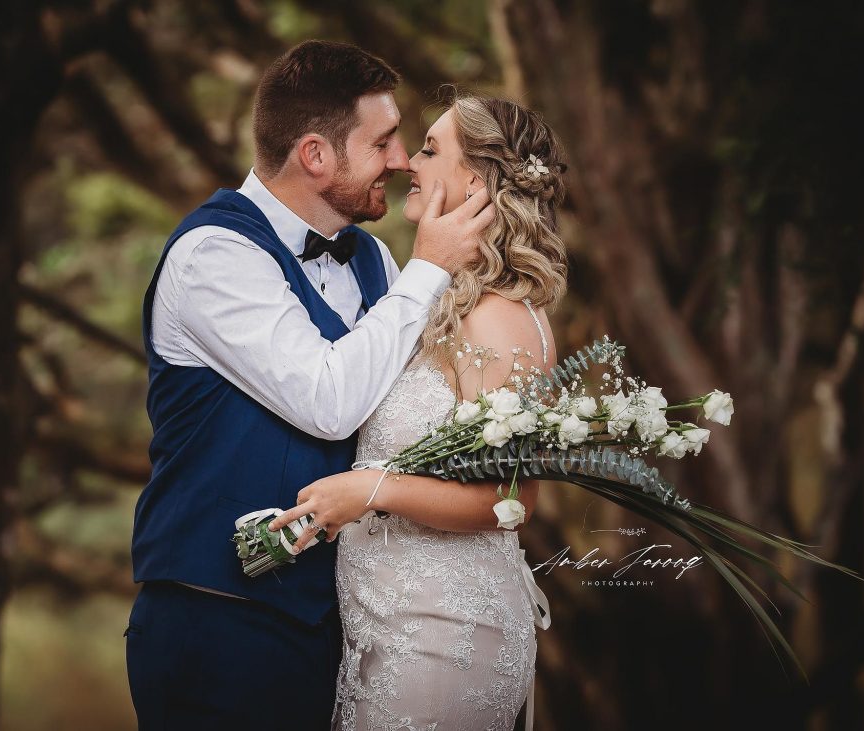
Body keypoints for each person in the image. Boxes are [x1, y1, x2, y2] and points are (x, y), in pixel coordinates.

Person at [125, 41, 495, 730]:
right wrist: (431, 267)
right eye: (382, 141)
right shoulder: (213, 255)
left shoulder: (374, 260)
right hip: (220, 624)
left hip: (345, 628)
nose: (401, 159)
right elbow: (329, 402)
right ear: (316, 155)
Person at [269, 93, 568, 730]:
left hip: (444, 634)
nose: (407, 162)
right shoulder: (442, 303)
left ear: (475, 183)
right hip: (389, 625)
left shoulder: (498, 318)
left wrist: (371, 489)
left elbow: (511, 499)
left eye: (430, 150)